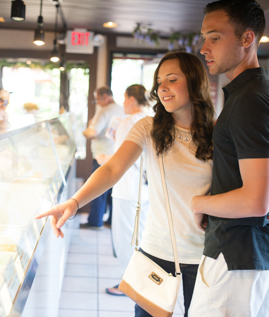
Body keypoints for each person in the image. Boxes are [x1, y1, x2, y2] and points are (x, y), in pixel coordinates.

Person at [37, 51, 215, 316]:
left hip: (207, 257)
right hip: (158, 251)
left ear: (194, 82)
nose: (162, 87)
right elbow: (112, 168)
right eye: (159, 80)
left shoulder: (219, 132)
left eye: (172, 79)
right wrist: (75, 202)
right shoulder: (148, 128)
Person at [188, 0, 269, 314]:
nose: (204, 48)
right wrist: (267, 193)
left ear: (247, 39)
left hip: (236, 255)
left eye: (215, 38)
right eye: (204, 38)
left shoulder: (250, 101)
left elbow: (255, 202)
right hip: (262, 252)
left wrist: (199, 202)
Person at [105, 84, 153, 297]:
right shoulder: (152, 120)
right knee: (140, 235)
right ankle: (137, 282)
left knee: (126, 238)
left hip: (126, 188)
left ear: (132, 99)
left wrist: (104, 160)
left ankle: (130, 284)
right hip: (146, 189)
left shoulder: (127, 122)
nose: (123, 103)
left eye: (125, 99)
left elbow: (119, 158)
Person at [81, 87, 126, 229]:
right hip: (116, 154)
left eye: (97, 99)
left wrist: (84, 131)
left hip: (102, 155)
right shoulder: (121, 109)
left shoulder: (104, 111)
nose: (97, 103)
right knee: (113, 189)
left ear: (104, 97)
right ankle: (111, 220)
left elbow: (92, 132)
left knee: (98, 189)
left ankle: (95, 221)